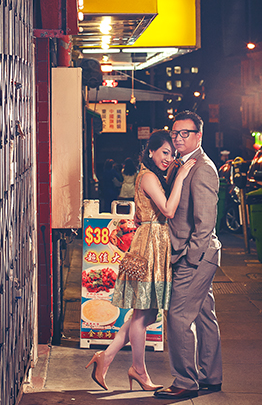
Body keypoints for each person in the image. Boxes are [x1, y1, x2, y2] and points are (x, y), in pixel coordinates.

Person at [84, 130, 195, 391]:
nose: (169, 158)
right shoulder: (147, 176)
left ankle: (106, 357)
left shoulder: (150, 176)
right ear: (152, 151)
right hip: (151, 244)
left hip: (153, 241)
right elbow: (167, 210)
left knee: (144, 313)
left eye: (173, 154)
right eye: (165, 152)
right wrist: (181, 176)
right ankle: (139, 370)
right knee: (143, 312)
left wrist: (174, 173)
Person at [154, 111, 223, 400]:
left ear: (199, 135)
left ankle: (186, 381)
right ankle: (210, 377)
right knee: (205, 316)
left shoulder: (203, 168)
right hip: (193, 253)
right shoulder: (182, 164)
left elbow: (205, 222)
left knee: (179, 316)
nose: (178, 138)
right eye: (175, 133)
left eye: (185, 133)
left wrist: (189, 258)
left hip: (195, 255)